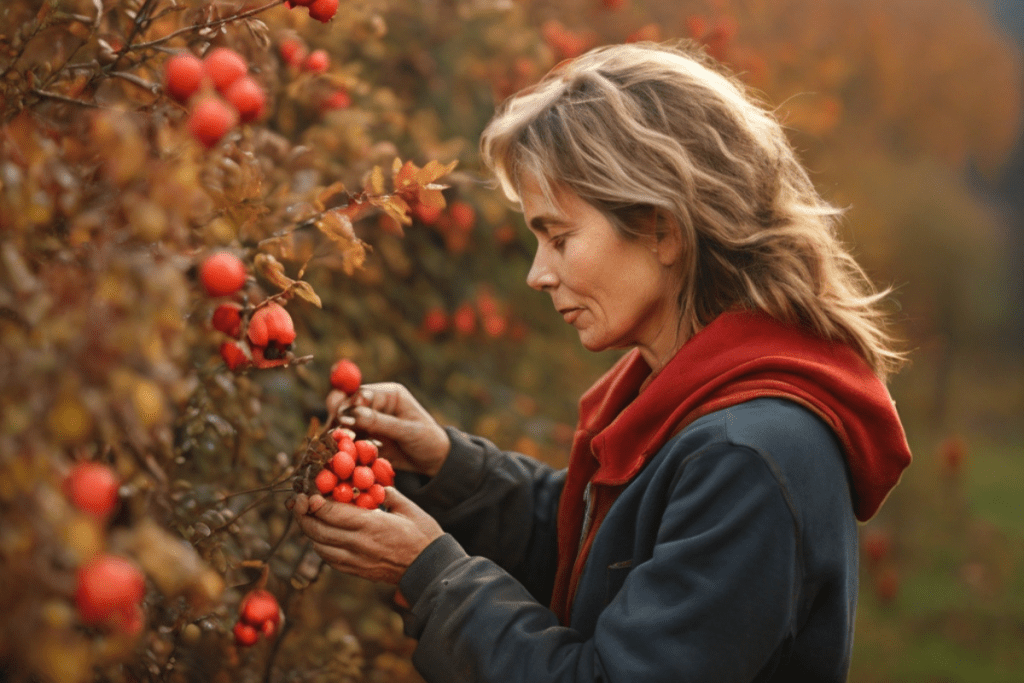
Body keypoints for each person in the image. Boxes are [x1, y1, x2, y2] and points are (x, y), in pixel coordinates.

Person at [288, 39, 913, 682]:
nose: (538, 274)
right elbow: (600, 550)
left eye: (559, 238)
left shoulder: (746, 455)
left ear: (661, 229)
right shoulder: (682, 395)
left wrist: (428, 572)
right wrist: (449, 466)